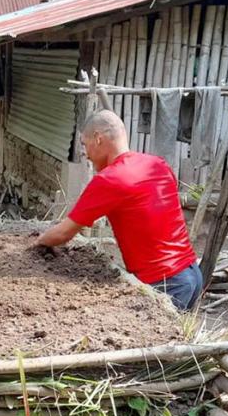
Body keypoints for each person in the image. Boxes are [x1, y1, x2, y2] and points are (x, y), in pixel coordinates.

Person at [35, 110, 202, 310]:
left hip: (166, 283)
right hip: (192, 273)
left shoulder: (110, 179)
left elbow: (63, 233)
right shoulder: (158, 164)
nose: (85, 154)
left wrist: (37, 243)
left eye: (84, 144)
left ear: (98, 138)